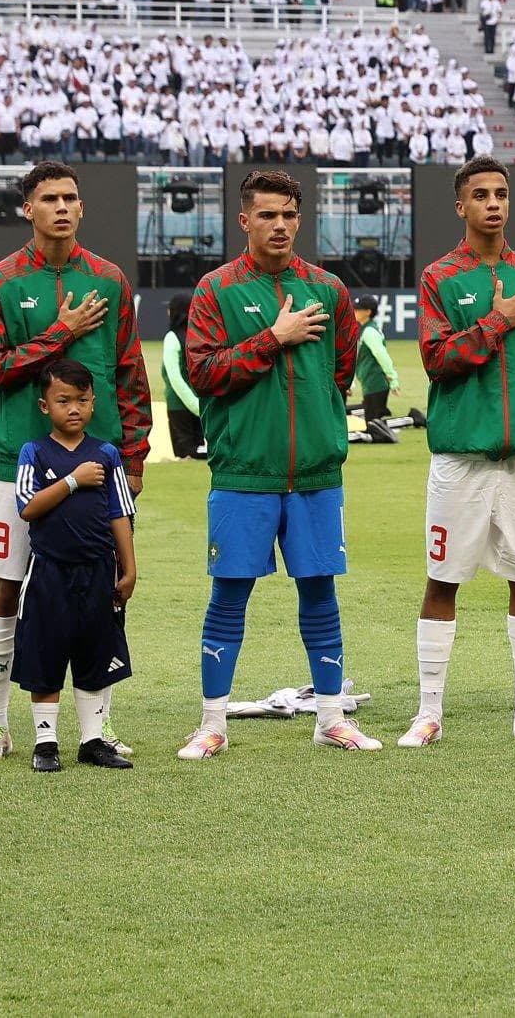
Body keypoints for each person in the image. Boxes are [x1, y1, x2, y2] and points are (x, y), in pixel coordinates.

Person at [177, 169, 373, 760]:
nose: (280, 225)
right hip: (243, 471)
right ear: (245, 220)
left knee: (320, 594)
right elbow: (202, 373)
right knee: (228, 596)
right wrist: (273, 337)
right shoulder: (215, 290)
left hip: (315, 474)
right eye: (267, 215)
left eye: (288, 214)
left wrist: (317, 427)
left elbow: (340, 374)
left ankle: (331, 718)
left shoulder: (328, 290)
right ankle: (212, 724)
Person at [0, 162, 149, 764]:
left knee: (103, 589)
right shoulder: (0, 281)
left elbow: (129, 371)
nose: (63, 207)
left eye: (71, 197)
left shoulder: (108, 278)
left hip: (99, 466)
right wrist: (58, 332)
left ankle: (98, 728)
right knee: (7, 588)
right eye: (49, 199)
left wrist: (134, 455)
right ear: (29, 209)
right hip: (16, 464)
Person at [399, 157, 515, 748]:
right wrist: (495, 322)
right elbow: (437, 360)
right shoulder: (440, 277)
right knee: (442, 580)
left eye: (501, 193)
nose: (494, 203)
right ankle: (429, 712)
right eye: (481, 195)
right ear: (461, 206)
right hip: (461, 458)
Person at [11, 359, 138, 773]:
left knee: (95, 654)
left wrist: (129, 568)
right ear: (45, 406)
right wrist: (72, 481)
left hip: (98, 572)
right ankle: (45, 744)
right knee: (46, 654)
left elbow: (120, 513)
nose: (74, 409)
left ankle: (92, 741)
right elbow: (27, 507)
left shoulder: (106, 454)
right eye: (63, 400)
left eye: (82, 400)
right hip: (49, 572)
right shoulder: (34, 452)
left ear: (93, 403)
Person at [161, 292, 204, 460]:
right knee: (200, 451)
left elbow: (175, 379)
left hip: (180, 406)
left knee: (186, 455)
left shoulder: (172, 337)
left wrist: (194, 405)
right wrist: (199, 406)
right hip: (200, 404)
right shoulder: (198, 336)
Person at [351, 294, 401, 424]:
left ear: (368, 312)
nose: (354, 311)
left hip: (375, 384)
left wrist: (393, 378)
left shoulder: (369, 332)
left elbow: (382, 356)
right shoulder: (368, 329)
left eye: (358, 309)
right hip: (372, 384)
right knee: (372, 422)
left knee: (373, 426)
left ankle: (411, 419)